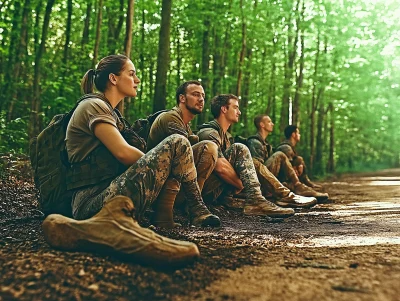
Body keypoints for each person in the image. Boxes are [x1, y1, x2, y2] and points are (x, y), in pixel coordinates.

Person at [41, 54, 206, 266]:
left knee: (176, 146)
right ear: (113, 78)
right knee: (176, 142)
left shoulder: (111, 112)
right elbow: (123, 153)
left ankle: (118, 226)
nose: (137, 79)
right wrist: (159, 164)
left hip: (108, 193)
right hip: (91, 202)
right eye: (131, 74)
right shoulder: (93, 105)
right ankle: (195, 210)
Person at [197, 94, 295, 218]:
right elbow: (220, 168)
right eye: (235, 108)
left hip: (220, 191)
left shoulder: (226, 136)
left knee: (247, 157)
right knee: (240, 149)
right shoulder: (208, 133)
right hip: (203, 191)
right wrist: (244, 184)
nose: (239, 112)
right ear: (224, 109)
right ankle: (257, 200)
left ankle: (264, 197)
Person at [146, 80, 220, 228]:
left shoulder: (186, 125)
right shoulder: (170, 118)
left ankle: (190, 206)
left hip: (173, 184)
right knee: (208, 147)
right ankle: (194, 207)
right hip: (153, 187)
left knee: (211, 152)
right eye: (195, 94)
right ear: (182, 98)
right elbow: (182, 155)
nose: (201, 99)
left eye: (203, 96)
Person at [247, 115, 328, 204]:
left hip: (268, 178)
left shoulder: (265, 143)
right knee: (279, 155)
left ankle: (299, 188)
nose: (272, 124)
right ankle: (297, 186)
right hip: (260, 181)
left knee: (294, 159)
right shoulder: (255, 142)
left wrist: (298, 162)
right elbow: (257, 168)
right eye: (269, 122)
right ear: (262, 125)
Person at [276, 125, 324, 190]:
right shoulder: (285, 148)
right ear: (293, 134)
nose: (299, 135)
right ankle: (296, 186)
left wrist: (299, 164)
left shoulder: (290, 147)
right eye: (298, 133)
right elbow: (286, 167)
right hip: (282, 180)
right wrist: (295, 168)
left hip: (289, 177)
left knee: (299, 159)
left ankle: (307, 183)